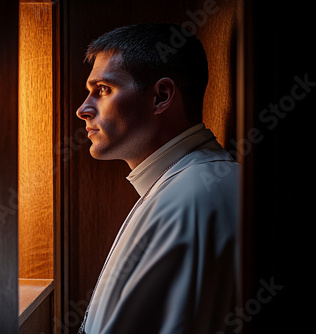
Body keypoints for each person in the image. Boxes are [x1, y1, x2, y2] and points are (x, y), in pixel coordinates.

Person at [76, 23, 239, 334]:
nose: (83, 109)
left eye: (103, 90)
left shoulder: (191, 198)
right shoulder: (183, 186)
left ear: (161, 96)